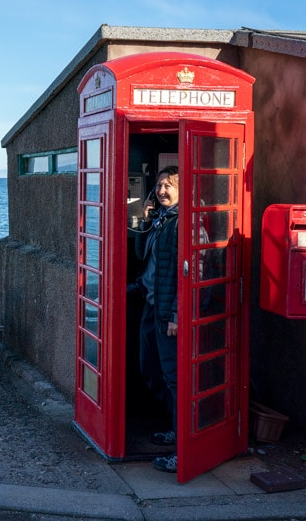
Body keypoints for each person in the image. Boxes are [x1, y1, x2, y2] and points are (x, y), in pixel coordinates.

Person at [132, 166, 180, 474]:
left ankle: (184, 447)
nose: (162, 191)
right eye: (159, 185)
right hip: (151, 303)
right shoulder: (161, 221)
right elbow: (141, 256)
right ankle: (177, 428)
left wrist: (176, 314)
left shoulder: (183, 223)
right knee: (149, 367)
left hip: (168, 313)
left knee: (175, 378)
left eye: (168, 186)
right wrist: (146, 219)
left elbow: (192, 272)